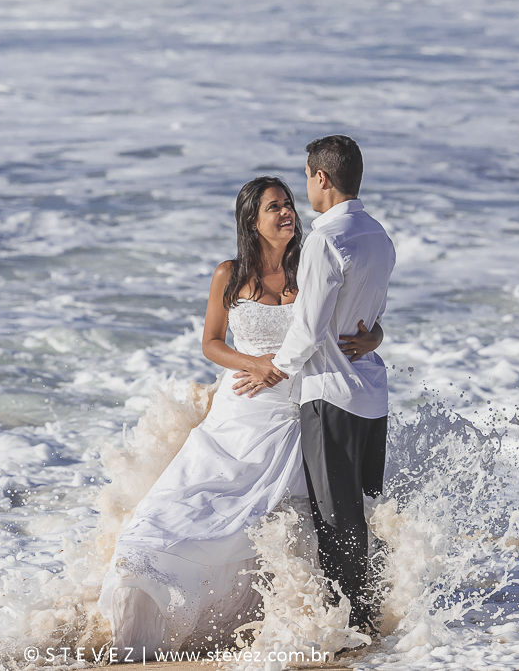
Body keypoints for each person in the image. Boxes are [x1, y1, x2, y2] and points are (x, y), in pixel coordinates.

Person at [97, 175, 384, 656]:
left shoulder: (310, 260)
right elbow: (211, 343)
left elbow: (361, 308)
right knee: (181, 507)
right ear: (251, 220)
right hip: (240, 411)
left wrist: (374, 337)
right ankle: (148, 604)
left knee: (268, 522)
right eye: (274, 207)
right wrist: (254, 364)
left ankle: (292, 625)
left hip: (297, 412)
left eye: (289, 203)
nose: (287, 212)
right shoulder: (229, 274)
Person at [240, 136, 395, 634]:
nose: (305, 187)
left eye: (306, 177)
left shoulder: (326, 240)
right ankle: (372, 617)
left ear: (321, 178)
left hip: (331, 393)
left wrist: (277, 369)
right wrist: (376, 336)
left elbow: (307, 328)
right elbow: (371, 317)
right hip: (372, 396)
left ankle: (347, 629)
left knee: (335, 521)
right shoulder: (377, 235)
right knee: (362, 514)